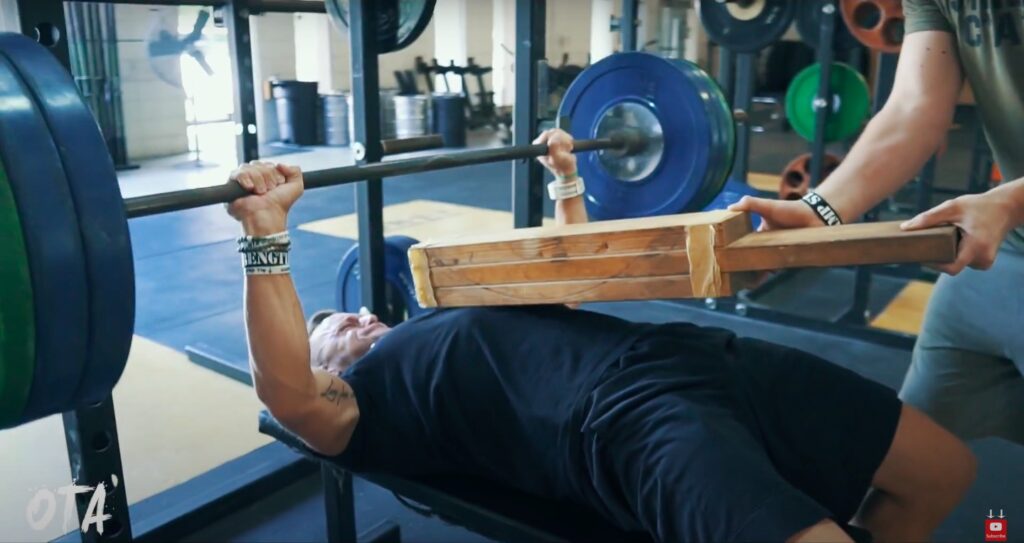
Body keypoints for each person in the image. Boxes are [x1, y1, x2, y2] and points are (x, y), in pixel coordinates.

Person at [226, 130, 975, 543]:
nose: (352, 317)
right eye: (329, 333)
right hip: (623, 426)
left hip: (692, 355)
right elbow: (286, 389)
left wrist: (565, 180)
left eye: (346, 311)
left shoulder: (437, 317)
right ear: (325, 369)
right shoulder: (368, 409)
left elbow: (566, 284)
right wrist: (266, 235)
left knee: (944, 471)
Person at [730, 1, 1024, 445]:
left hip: (1009, 219)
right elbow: (915, 107)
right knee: (904, 463)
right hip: (1000, 261)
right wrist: (820, 209)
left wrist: (1011, 201)